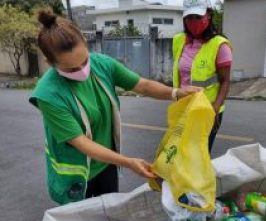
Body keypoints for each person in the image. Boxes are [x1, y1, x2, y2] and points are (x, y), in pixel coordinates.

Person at [29, 9, 200, 205]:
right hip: (75, 175)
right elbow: (82, 143)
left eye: (84, 61)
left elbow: (142, 85)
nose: (82, 71)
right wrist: (128, 162)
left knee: (109, 215)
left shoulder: (102, 65)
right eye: (71, 69)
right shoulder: (48, 94)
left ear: (85, 42)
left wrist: (175, 93)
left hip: (107, 165)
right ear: (50, 63)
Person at [173, 0, 232, 152]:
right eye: (189, 17)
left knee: (199, 155)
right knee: (182, 152)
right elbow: (180, 75)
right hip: (183, 107)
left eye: (198, 17)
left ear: (209, 16)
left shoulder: (220, 45)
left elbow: (225, 81)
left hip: (207, 110)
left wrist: (215, 109)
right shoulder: (179, 40)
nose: (193, 22)